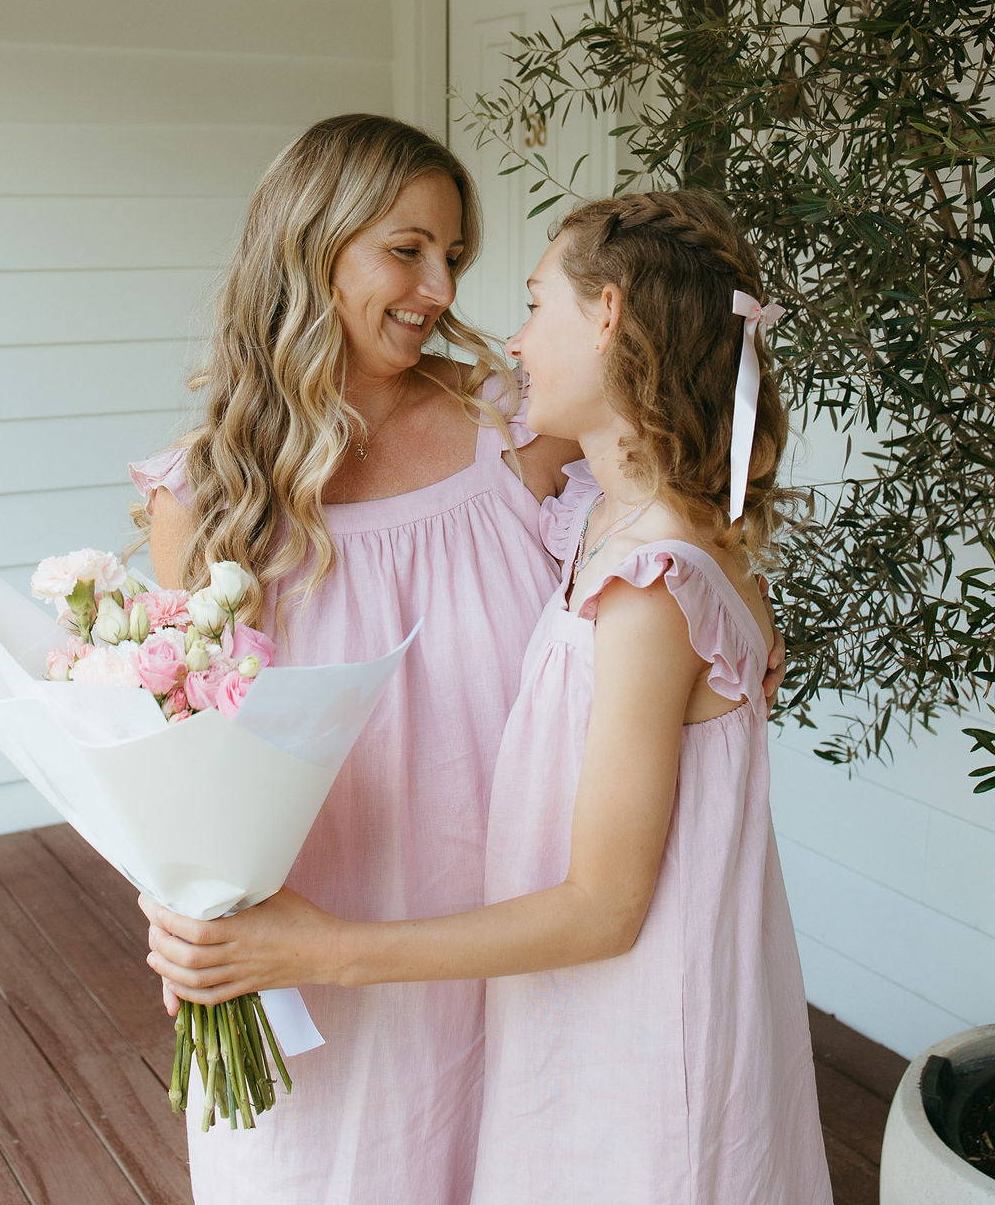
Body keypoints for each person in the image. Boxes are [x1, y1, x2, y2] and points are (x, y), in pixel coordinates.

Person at [143, 186, 829, 1205]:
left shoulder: (642, 578)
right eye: (409, 249)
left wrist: (326, 950)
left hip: (630, 1035)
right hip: (583, 1019)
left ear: (607, 318)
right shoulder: (613, 531)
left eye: (533, 302)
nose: (503, 334)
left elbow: (604, 905)